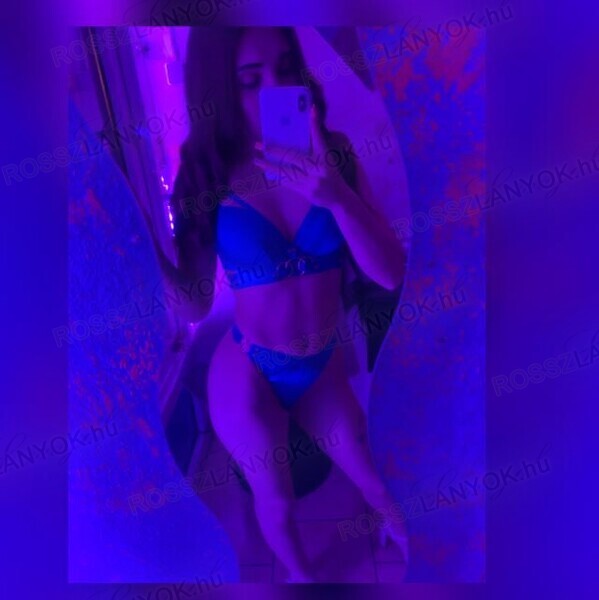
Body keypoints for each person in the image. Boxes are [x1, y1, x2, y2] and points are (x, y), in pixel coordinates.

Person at [142, 26, 409, 583]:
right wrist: (144, 244)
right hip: (247, 369)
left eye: (286, 68)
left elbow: (388, 272)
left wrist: (336, 196)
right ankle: (301, 579)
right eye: (249, 79)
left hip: (320, 363)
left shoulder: (334, 155)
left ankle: (415, 547)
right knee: (278, 503)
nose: (276, 89)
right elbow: (194, 305)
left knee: (377, 478)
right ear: (219, 86)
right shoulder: (207, 173)